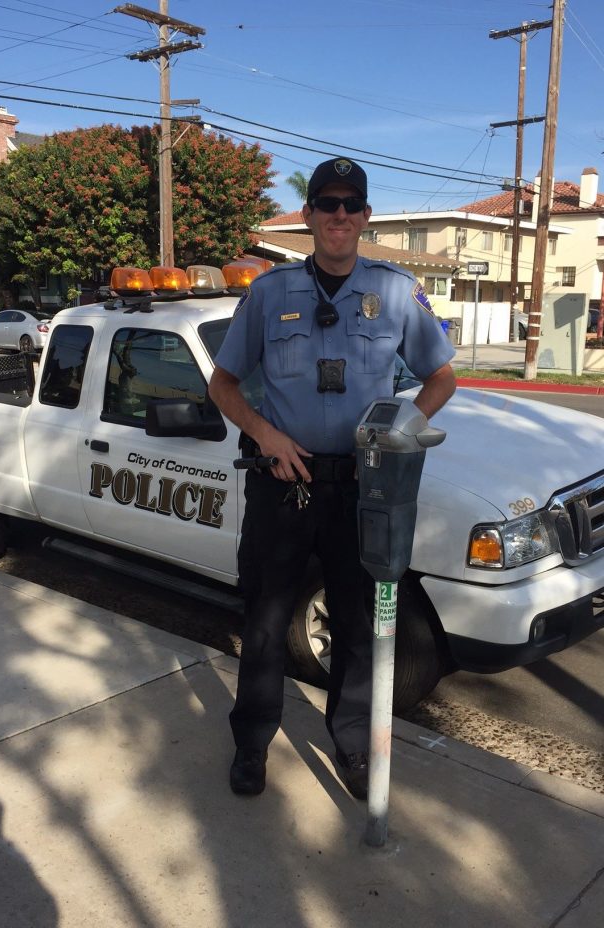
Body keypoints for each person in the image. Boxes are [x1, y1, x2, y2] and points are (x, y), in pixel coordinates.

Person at [208, 156, 456, 799]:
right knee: (265, 622)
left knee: (356, 622)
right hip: (281, 483)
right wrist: (265, 434)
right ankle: (252, 743)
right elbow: (223, 384)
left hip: (361, 489)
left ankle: (352, 745)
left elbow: (441, 377)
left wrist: (400, 429)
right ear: (309, 215)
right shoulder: (269, 293)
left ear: (366, 215)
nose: (339, 215)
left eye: (350, 204)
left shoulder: (395, 292)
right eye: (327, 203)